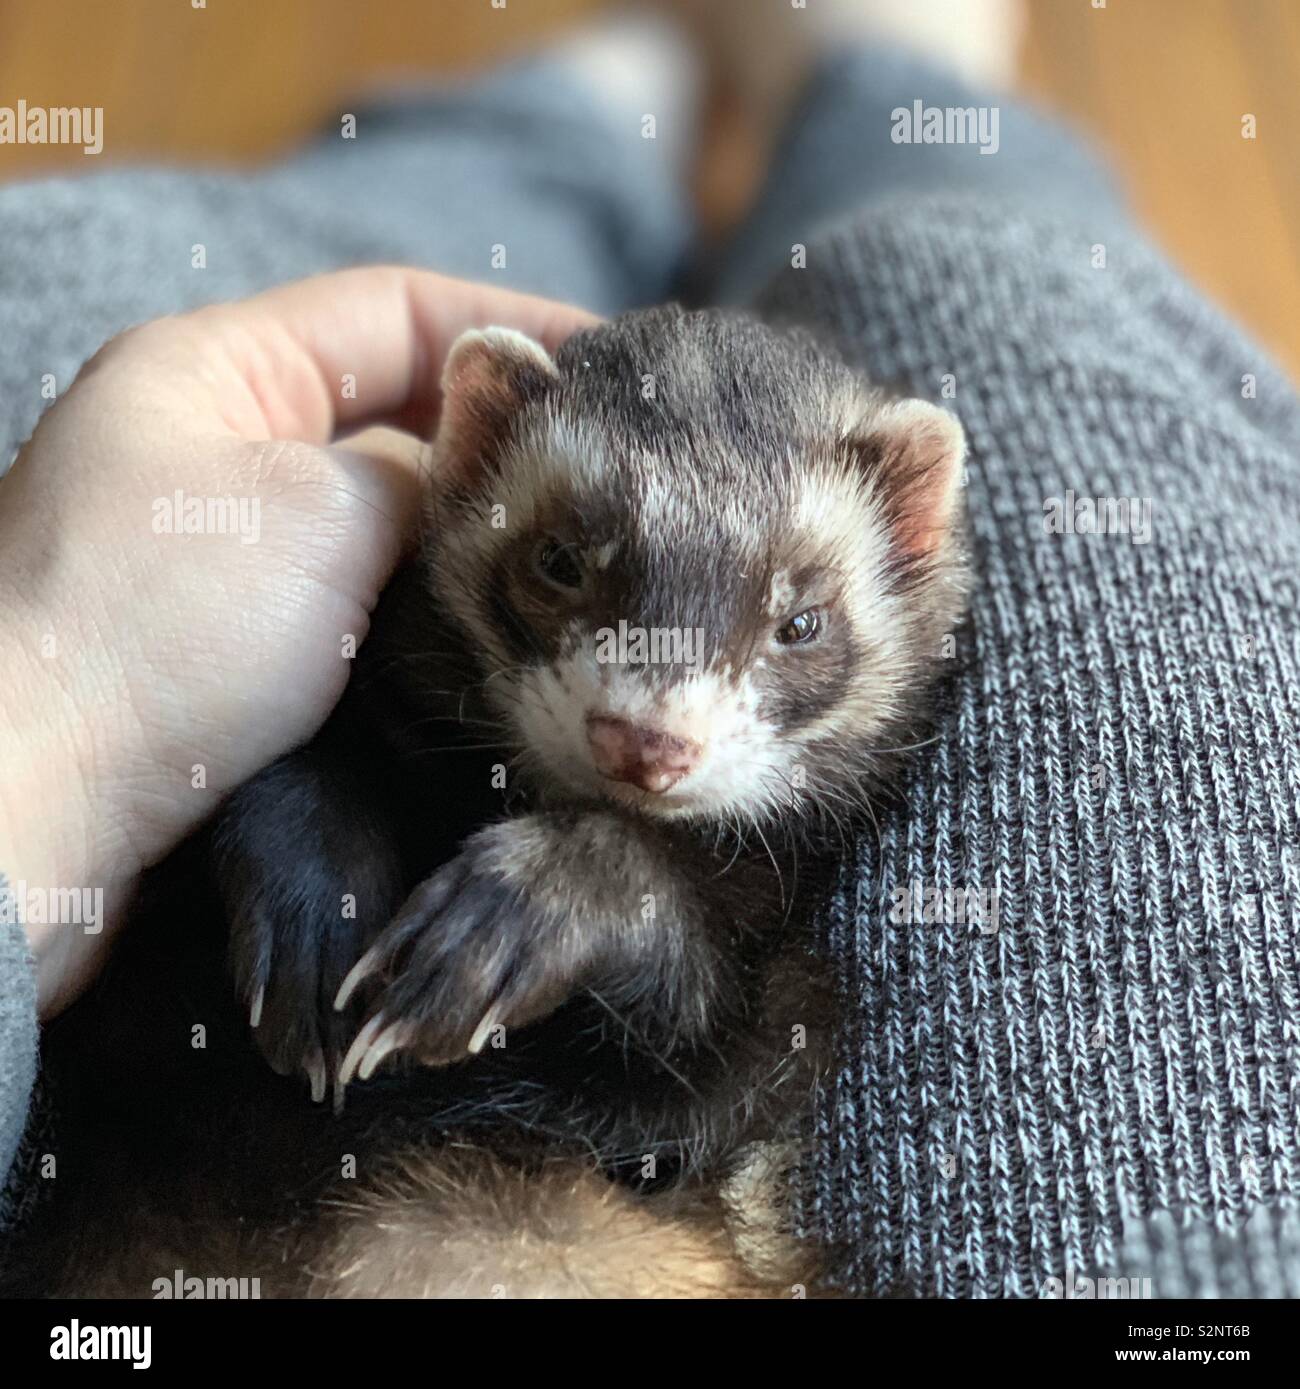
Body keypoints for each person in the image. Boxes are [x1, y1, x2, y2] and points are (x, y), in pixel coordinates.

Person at [3, 1, 1299, 1297]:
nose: (659, 718)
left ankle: (559, 119)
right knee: (959, 258)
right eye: (560, 567)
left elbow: (678, 1094)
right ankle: (866, 105)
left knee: (82, 277)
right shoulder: (376, 676)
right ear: (467, 475)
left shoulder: (762, 882)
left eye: (794, 628)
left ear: (910, 561)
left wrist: (49, 710)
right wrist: (274, 798)